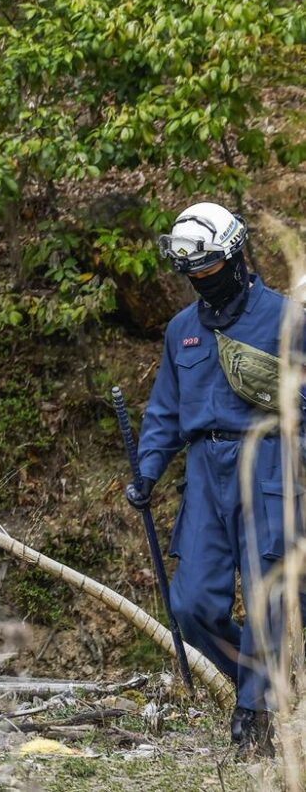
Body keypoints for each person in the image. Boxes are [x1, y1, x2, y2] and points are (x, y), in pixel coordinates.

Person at [126, 201, 304, 758]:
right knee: (191, 605)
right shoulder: (182, 331)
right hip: (204, 472)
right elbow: (164, 413)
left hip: (272, 464)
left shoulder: (287, 319)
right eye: (191, 274)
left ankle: (255, 713)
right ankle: (260, 684)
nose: (203, 282)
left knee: (267, 598)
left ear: (235, 256)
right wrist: (147, 472)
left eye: (209, 269)